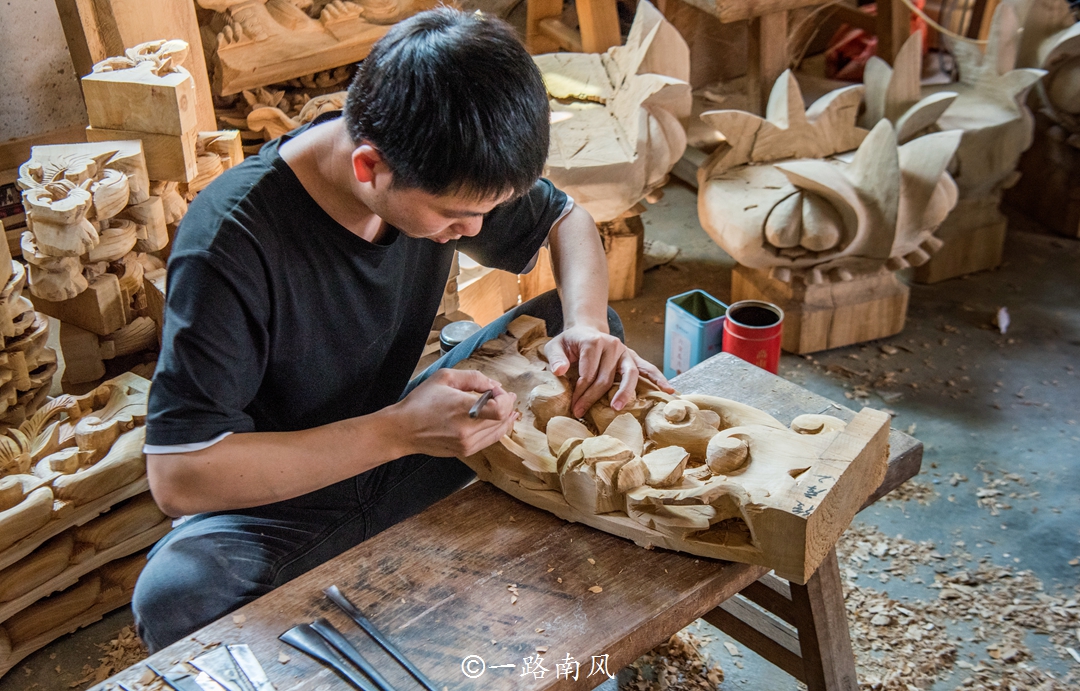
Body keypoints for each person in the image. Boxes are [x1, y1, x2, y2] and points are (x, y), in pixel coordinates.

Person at [132, 7, 671, 651]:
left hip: (405, 433)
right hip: (288, 491)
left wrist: (584, 325)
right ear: (368, 167)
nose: (474, 231)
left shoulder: (441, 159)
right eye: (456, 215)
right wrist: (397, 430)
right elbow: (179, 478)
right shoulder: (230, 244)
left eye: (489, 212)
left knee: (583, 328)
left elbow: (568, 220)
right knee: (177, 595)